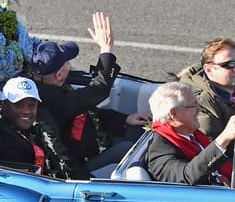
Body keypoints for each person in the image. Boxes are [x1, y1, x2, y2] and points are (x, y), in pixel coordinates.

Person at [32, 11, 150, 174]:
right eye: (68, 62)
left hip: (95, 142)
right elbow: (98, 90)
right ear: (59, 75)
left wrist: (126, 119)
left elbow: (90, 112)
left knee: (141, 131)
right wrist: (107, 49)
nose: (70, 65)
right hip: (81, 166)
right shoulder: (52, 100)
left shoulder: (55, 87)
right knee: (129, 149)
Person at [0, 63, 81, 179]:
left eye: (31, 105)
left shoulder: (43, 123)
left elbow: (64, 159)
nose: (26, 111)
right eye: (19, 104)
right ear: (3, 105)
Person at [145, 81, 235, 186]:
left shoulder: (194, 135)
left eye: (198, 103)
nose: (199, 109)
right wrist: (224, 138)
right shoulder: (160, 150)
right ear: (173, 113)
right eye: (193, 106)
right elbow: (186, 177)